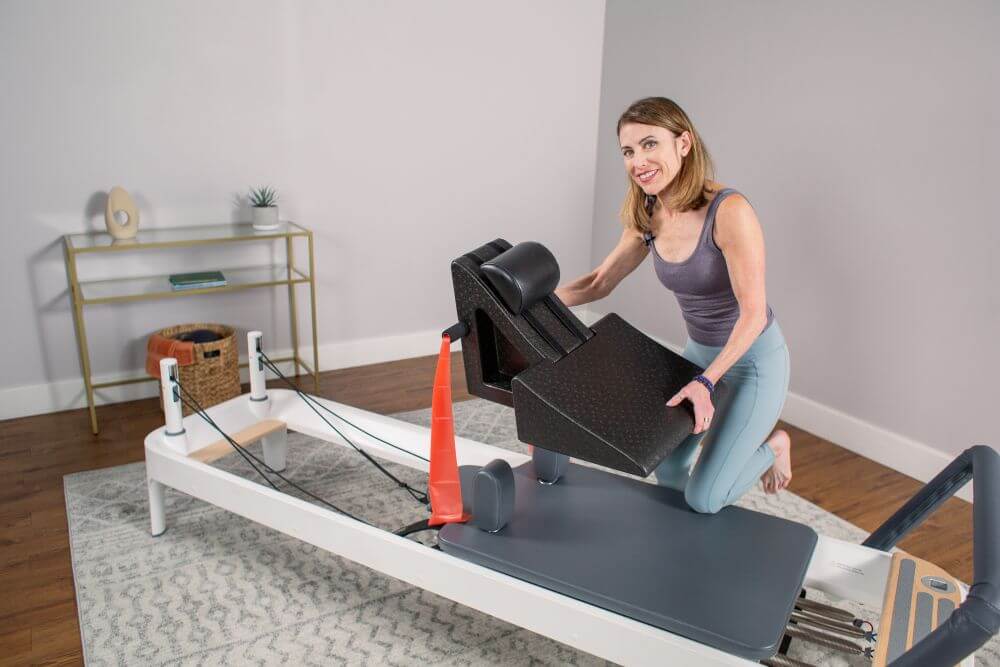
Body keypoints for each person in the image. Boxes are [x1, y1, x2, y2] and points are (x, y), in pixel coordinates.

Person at [554, 97, 792, 514]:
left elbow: (753, 314)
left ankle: (775, 446)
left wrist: (706, 384)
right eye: (628, 151)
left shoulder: (729, 212)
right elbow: (598, 282)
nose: (638, 161)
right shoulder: (649, 212)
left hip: (753, 362)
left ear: (683, 144)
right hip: (699, 355)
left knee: (705, 498)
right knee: (667, 470)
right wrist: (530, 303)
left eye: (650, 144)